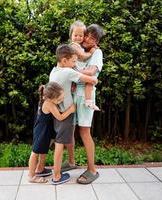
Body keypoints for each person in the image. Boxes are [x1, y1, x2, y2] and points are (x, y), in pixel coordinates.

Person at [49, 44, 98, 185]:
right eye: (73, 61)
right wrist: (94, 79)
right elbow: (91, 80)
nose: (75, 64)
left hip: (59, 112)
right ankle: (57, 175)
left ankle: (68, 164)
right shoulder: (67, 72)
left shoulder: (54, 71)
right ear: (64, 61)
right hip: (66, 112)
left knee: (63, 140)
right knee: (60, 143)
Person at [63, 24, 105, 184]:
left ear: (96, 42)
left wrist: (72, 70)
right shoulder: (78, 50)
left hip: (85, 96)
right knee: (69, 128)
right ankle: (72, 161)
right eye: (87, 35)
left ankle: (92, 170)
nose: (87, 39)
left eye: (92, 38)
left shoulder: (97, 52)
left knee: (84, 132)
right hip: (72, 94)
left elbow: (91, 72)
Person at [28, 82, 76, 183]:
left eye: (62, 97)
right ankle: (31, 176)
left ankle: (40, 169)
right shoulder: (49, 104)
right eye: (59, 99)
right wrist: (70, 110)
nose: (61, 100)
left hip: (44, 129)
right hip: (42, 131)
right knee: (35, 152)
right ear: (50, 98)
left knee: (42, 150)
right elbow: (60, 117)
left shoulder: (45, 99)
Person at [69, 20, 100, 111]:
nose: (78, 38)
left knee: (91, 79)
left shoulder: (80, 46)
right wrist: (91, 52)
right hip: (74, 69)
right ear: (71, 36)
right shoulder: (74, 45)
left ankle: (88, 100)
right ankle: (88, 100)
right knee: (91, 79)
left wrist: (93, 47)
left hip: (78, 70)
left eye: (81, 36)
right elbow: (82, 57)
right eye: (75, 35)